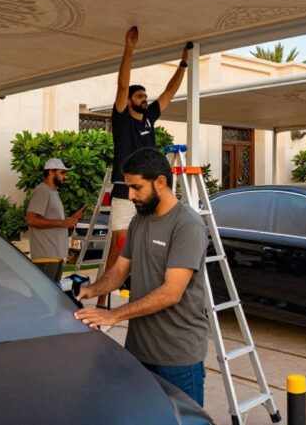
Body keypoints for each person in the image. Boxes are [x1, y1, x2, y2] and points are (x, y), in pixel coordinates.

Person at [74, 148, 209, 406]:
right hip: (139, 351)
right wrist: (89, 291)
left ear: (160, 182)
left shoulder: (186, 225)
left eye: (136, 187)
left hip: (177, 357)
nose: (131, 195)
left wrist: (113, 315)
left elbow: (171, 293)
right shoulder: (140, 220)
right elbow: (120, 270)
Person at [106, 26, 191, 283]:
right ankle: (105, 299)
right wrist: (129, 49)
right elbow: (122, 85)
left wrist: (183, 65)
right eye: (140, 96)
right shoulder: (122, 118)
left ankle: (114, 297)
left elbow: (169, 93)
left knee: (139, 247)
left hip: (149, 192)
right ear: (130, 100)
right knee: (121, 246)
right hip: (124, 192)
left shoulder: (149, 119)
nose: (145, 99)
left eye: (145, 96)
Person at [24, 158, 84, 260]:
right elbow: (31, 220)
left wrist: (71, 219)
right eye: (62, 173)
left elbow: (56, 221)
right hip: (46, 256)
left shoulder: (53, 192)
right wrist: (62, 223)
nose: (65, 176)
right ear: (51, 172)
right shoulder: (42, 191)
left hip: (56, 255)